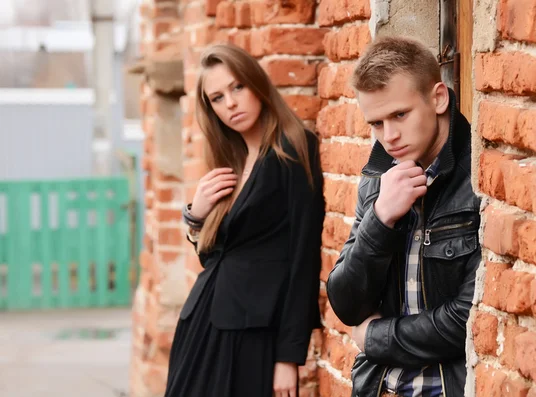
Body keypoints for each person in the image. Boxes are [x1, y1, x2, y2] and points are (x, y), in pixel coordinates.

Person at [165, 43, 325, 397]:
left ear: (257, 84)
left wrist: (288, 356)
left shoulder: (293, 149)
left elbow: (303, 256)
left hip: (253, 333)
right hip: (202, 325)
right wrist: (197, 215)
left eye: (237, 87)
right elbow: (218, 258)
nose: (231, 103)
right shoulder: (232, 161)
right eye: (218, 98)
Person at [326, 36, 481, 397]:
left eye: (400, 114)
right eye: (376, 124)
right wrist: (380, 219)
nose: (389, 137)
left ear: (438, 98)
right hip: (378, 388)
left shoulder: (477, 177)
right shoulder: (378, 181)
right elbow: (348, 304)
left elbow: (465, 321)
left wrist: (374, 338)